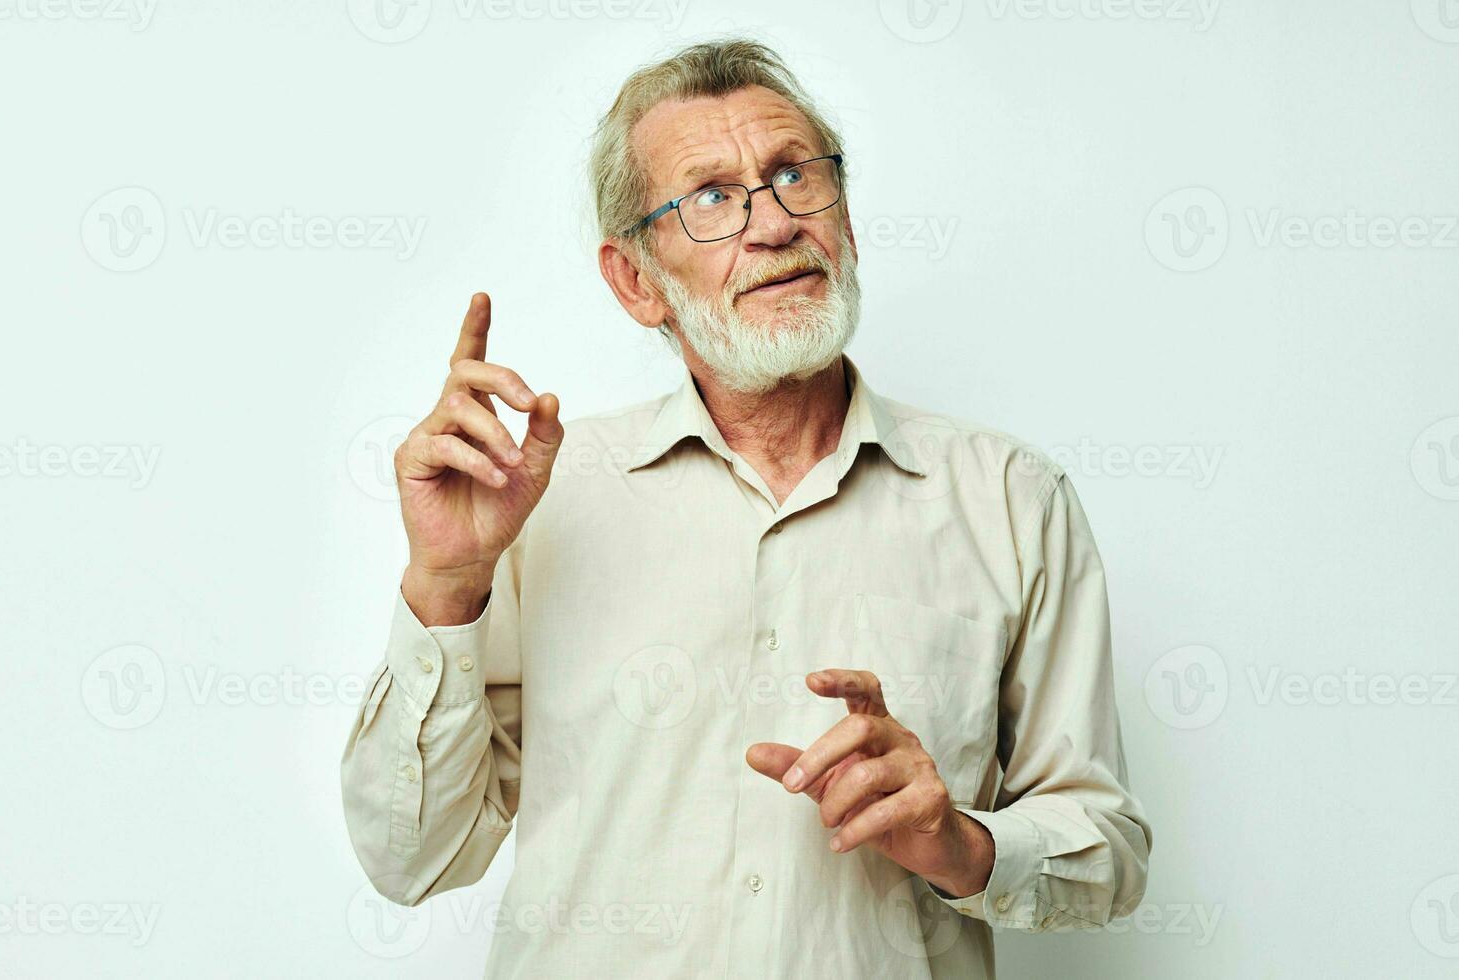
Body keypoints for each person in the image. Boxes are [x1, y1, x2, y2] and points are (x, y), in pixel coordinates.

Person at [341, 37, 1151, 979]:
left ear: (844, 216)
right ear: (637, 281)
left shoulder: (1015, 503)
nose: (773, 225)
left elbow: (1108, 853)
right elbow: (412, 860)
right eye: (713, 198)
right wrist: (445, 584)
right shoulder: (537, 503)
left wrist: (960, 844)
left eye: (794, 175)